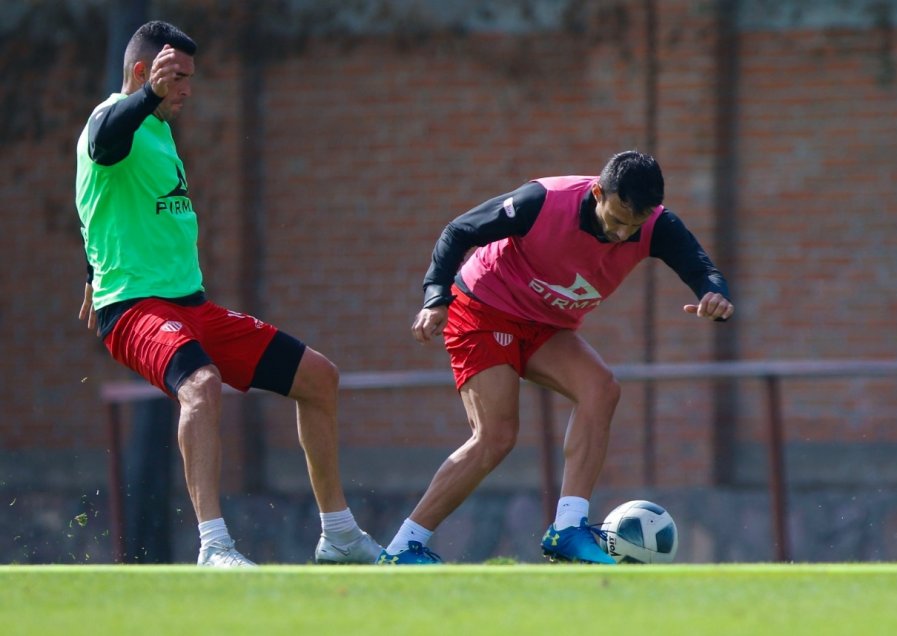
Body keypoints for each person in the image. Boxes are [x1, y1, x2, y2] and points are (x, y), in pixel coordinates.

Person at [75, 20, 381, 567]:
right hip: (133, 308)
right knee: (202, 385)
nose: (188, 90)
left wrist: (89, 262)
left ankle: (338, 534)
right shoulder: (111, 115)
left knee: (319, 377)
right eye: (180, 78)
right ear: (146, 72)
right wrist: (149, 95)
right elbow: (102, 146)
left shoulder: (160, 129)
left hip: (192, 305)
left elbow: (100, 205)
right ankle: (213, 546)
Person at [378, 150, 734, 564]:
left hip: (544, 325)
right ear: (599, 192)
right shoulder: (542, 201)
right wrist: (435, 298)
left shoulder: (656, 225)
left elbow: (702, 267)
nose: (621, 235)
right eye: (616, 220)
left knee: (601, 389)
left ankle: (567, 529)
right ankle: (402, 547)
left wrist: (715, 295)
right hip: (482, 308)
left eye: (632, 227)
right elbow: (458, 231)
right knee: (496, 436)